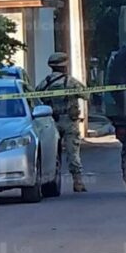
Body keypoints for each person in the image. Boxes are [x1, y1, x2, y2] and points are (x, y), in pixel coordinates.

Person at [36, 52, 88, 192]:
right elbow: (86, 95)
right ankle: (78, 182)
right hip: (70, 122)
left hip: (52, 121)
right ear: (65, 67)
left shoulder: (45, 83)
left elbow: (35, 98)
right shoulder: (71, 82)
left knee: (51, 152)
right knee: (73, 153)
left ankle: (50, 182)